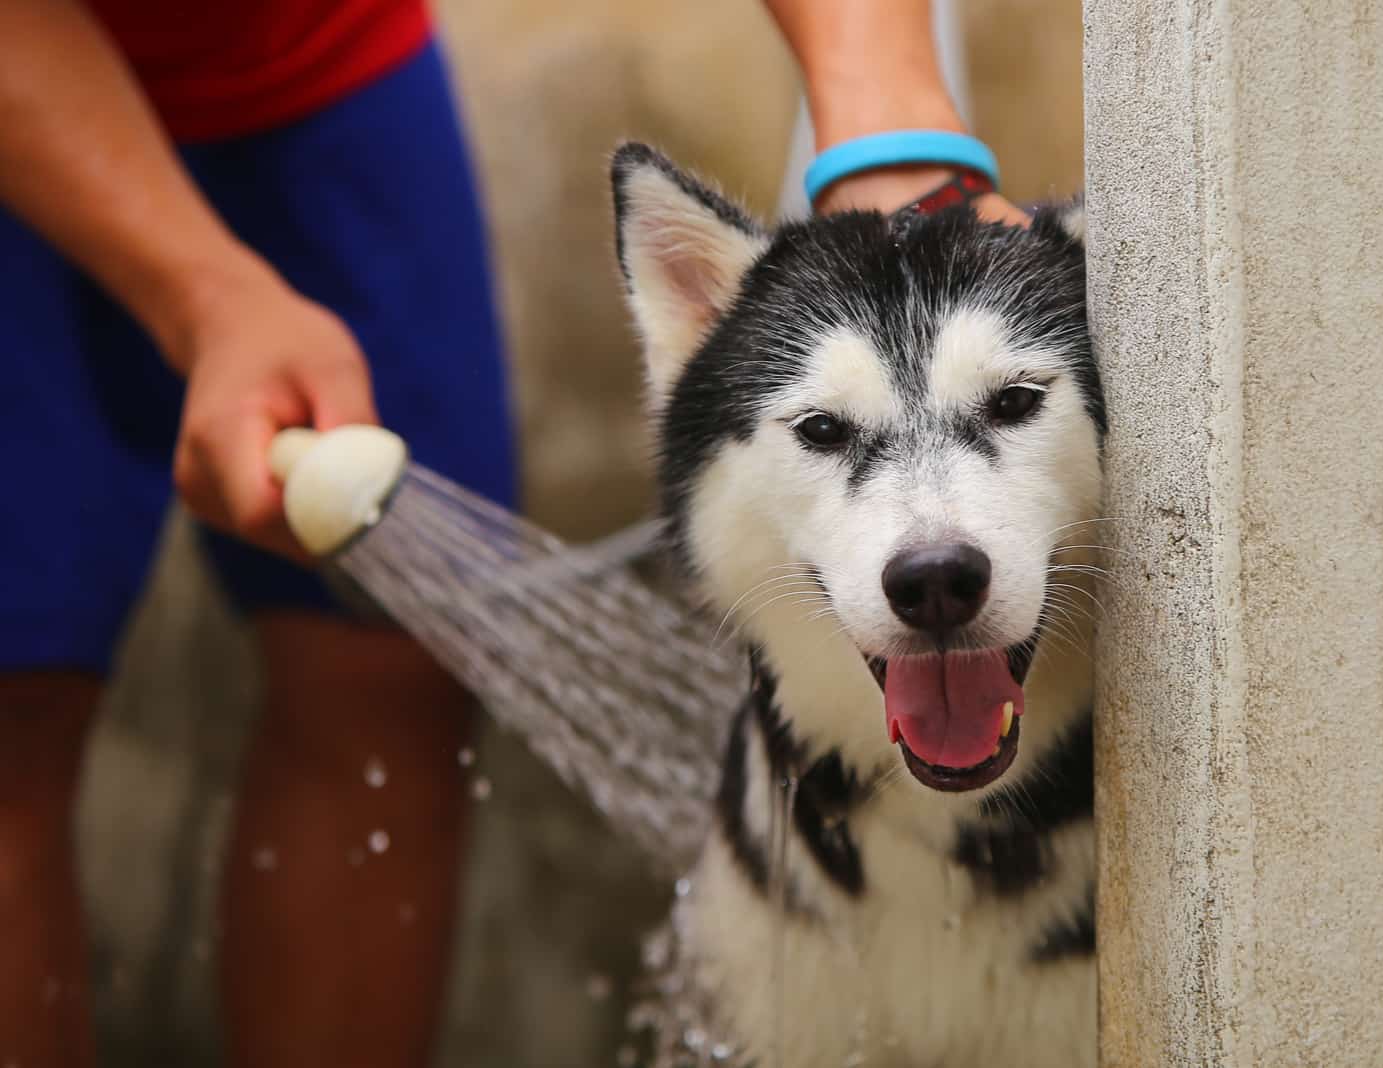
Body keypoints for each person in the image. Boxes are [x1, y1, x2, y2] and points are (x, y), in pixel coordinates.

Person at [0, 1, 1029, 1065]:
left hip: (318, 52)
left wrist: (890, 127)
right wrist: (206, 300)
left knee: (396, 658)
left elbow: (891, 129)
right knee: (13, 699)